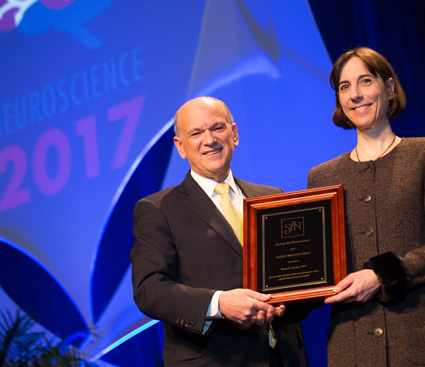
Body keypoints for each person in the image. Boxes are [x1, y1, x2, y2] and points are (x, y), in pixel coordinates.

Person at [307, 47, 425, 366]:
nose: (355, 94)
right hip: (353, 346)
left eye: (365, 81)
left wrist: (381, 275)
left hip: (423, 341)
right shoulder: (322, 177)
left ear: (389, 87)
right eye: (344, 87)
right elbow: (320, 266)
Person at [131, 97, 309, 367]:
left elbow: (293, 273)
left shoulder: (272, 197)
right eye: (196, 133)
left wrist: (292, 296)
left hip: (283, 357)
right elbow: (149, 289)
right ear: (180, 146)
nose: (210, 139)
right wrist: (219, 303)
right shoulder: (158, 209)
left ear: (234, 134)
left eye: (217, 128)